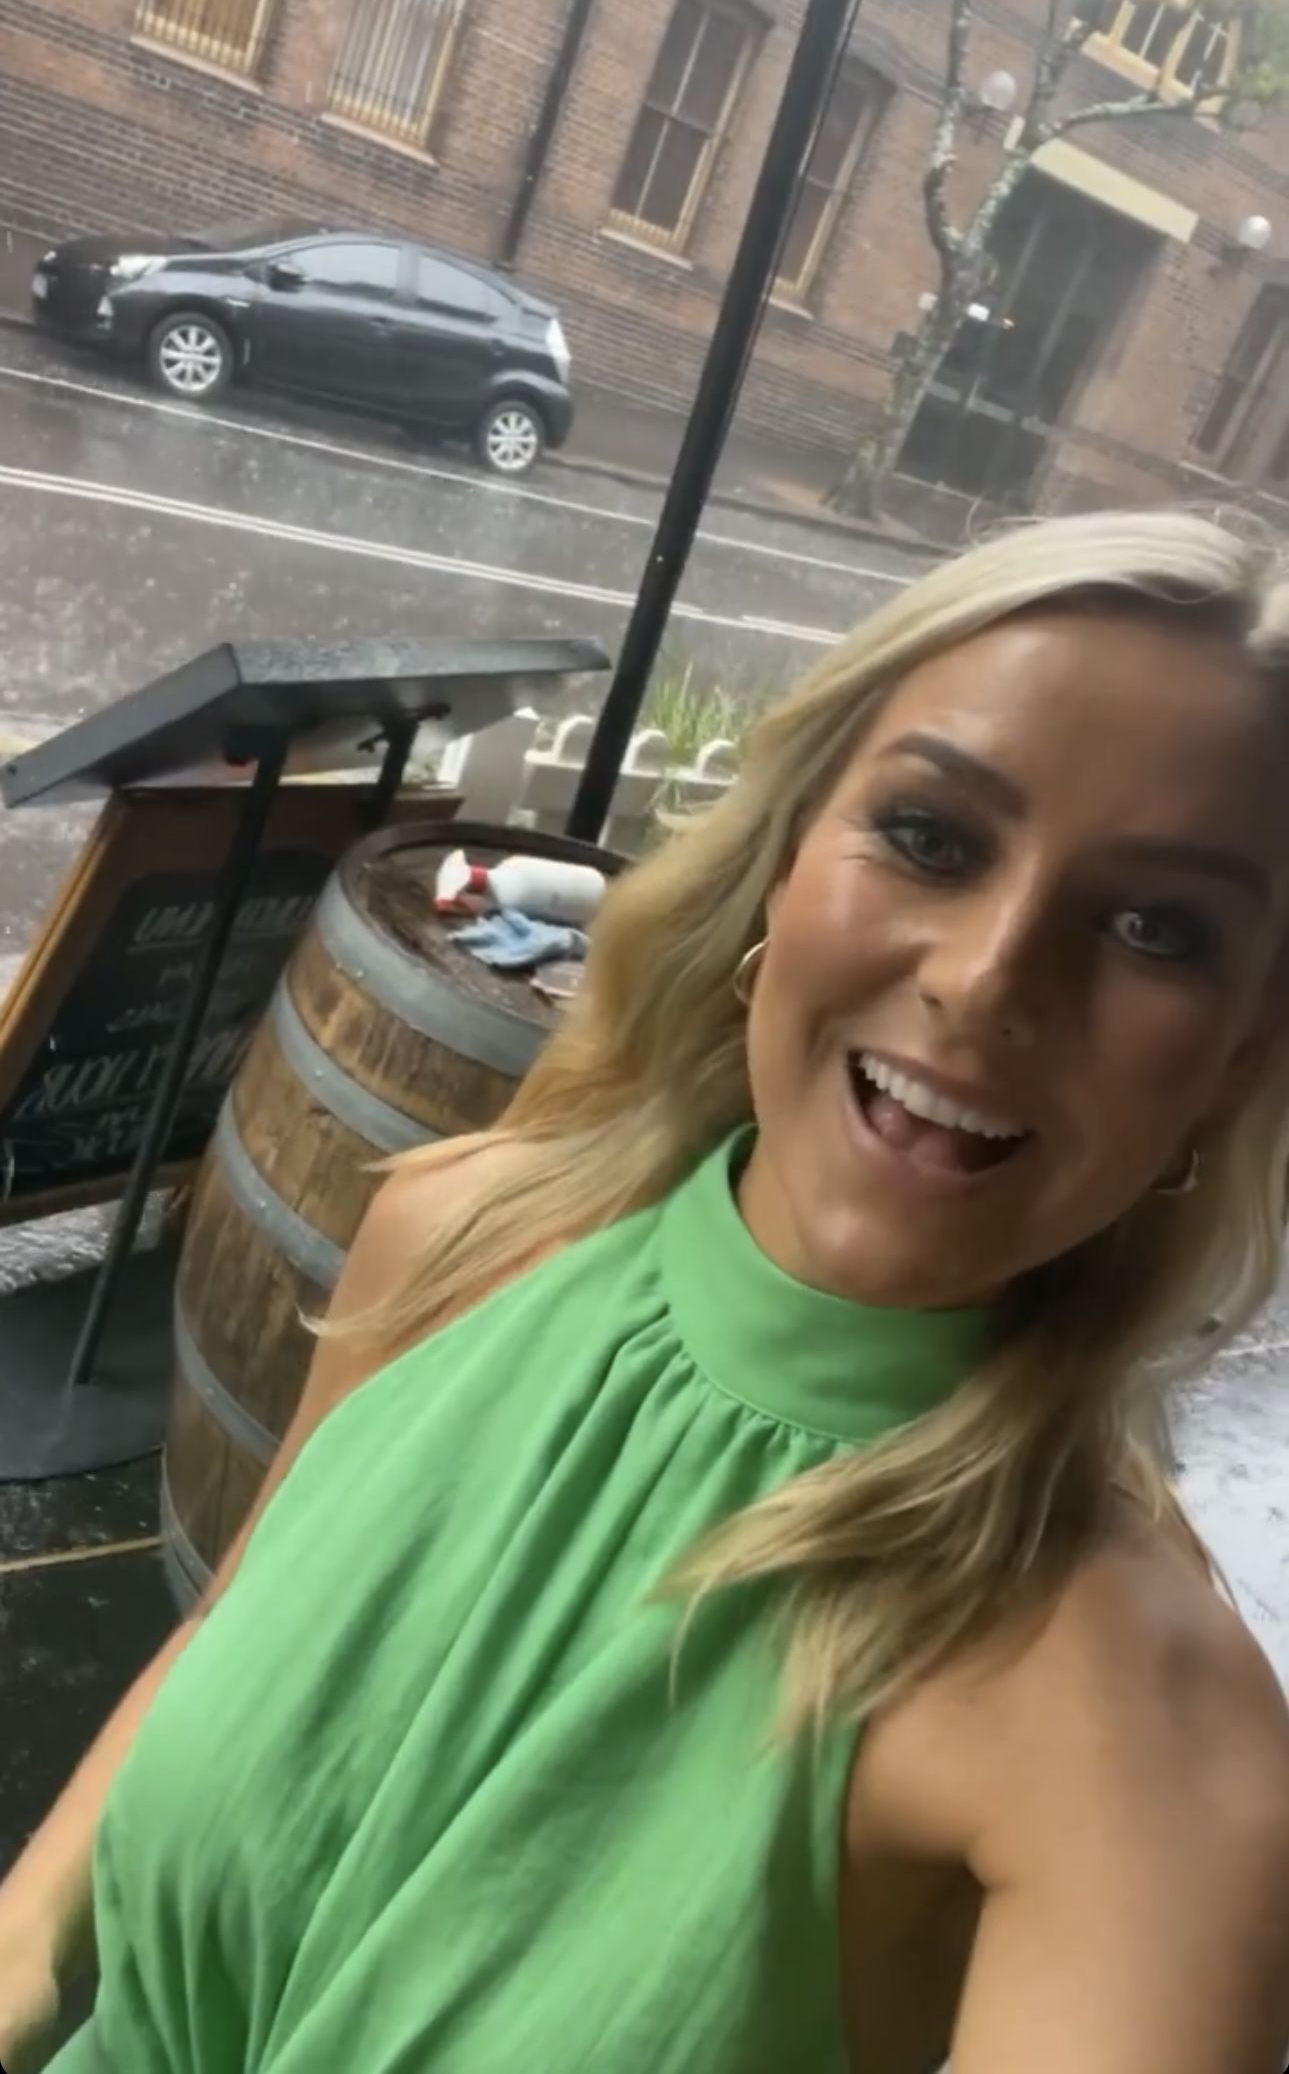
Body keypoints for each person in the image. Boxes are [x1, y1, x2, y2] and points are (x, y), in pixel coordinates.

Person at [4, 510, 1289, 2074]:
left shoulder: (1149, 1745)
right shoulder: (454, 1239)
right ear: (786, 857)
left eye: (1152, 929)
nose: (984, 977)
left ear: (1238, 1056)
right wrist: (25, 1938)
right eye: (931, 837)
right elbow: (225, 1649)